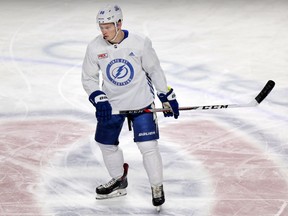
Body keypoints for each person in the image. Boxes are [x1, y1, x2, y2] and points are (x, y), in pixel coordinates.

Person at [81, 4, 179, 209]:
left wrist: (166, 96)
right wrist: (98, 98)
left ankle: (157, 186)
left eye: (108, 27)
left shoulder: (140, 43)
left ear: (119, 23)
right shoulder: (94, 47)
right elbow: (89, 77)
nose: (103, 31)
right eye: (101, 27)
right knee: (105, 144)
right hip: (111, 105)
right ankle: (119, 179)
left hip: (140, 102)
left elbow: (155, 70)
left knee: (148, 147)